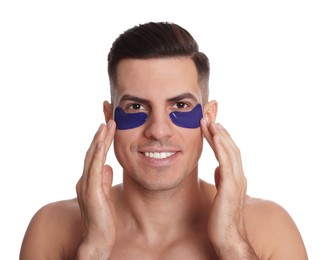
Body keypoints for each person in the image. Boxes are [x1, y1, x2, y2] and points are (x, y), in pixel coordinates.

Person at [20, 21, 308, 259]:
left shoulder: (269, 227)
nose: (158, 130)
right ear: (110, 117)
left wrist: (232, 242)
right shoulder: (52, 229)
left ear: (208, 117)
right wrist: (94, 248)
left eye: (180, 106)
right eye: (136, 107)